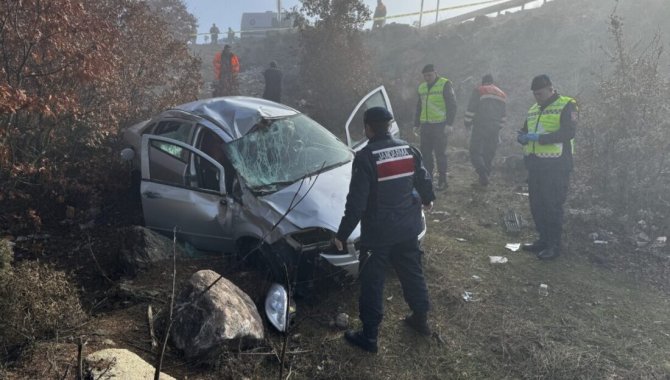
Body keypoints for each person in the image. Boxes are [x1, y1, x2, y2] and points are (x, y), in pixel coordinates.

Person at [333, 107, 435, 353]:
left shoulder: (366, 157)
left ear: (368, 128)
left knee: (373, 282)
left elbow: (356, 203)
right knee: (412, 272)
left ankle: (369, 337)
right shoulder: (409, 149)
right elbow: (423, 178)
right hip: (407, 228)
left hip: (378, 234)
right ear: (389, 126)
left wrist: (341, 234)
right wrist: (428, 198)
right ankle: (420, 320)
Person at [517, 74, 578, 260]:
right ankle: (543, 240)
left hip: (556, 165)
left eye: (540, 94)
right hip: (536, 164)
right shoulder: (534, 109)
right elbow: (526, 130)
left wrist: (540, 139)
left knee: (552, 206)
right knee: (537, 205)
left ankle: (554, 245)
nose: (537, 97)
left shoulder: (567, 104)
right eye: (535, 94)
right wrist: (521, 136)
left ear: (551, 89)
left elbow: (568, 132)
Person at [414, 64, 457, 191]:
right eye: (425, 76)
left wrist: (449, 124)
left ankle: (443, 181)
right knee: (426, 154)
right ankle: (429, 180)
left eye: (429, 75)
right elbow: (419, 107)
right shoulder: (421, 87)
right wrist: (416, 124)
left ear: (435, 73)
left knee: (440, 154)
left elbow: (452, 105)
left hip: (440, 125)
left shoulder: (445, 84)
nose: (427, 78)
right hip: (426, 126)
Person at [464, 74, 507, 186]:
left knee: (475, 150)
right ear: (492, 82)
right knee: (489, 151)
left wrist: (467, 123)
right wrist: (499, 127)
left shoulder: (480, 90)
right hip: (495, 127)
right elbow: (503, 116)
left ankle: (482, 172)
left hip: (480, 125)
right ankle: (486, 174)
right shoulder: (502, 94)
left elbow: (471, 108)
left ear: (483, 82)